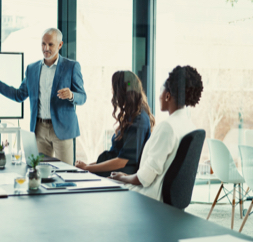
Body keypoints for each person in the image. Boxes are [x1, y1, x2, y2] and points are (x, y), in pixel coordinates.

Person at [0, 28, 86, 165]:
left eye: (50, 44)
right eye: (43, 44)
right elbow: (19, 95)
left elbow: (82, 97)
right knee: (39, 171)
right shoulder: (32, 69)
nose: (45, 48)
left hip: (63, 129)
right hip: (39, 129)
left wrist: (71, 95)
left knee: (65, 173)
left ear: (60, 45)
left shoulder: (71, 67)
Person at [110, 65, 203, 201]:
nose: (159, 96)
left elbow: (144, 179)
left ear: (167, 96)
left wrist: (122, 178)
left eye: (161, 91)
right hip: (163, 200)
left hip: (148, 198)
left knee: (104, 187)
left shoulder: (167, 127)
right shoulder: (189, 125)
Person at [74, 71, 154, 177]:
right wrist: (86, 166)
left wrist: (88, 168)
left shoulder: (139, 120)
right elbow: (115, 156)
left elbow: (122, 161)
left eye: (114, 89)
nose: (112, 92)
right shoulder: (132, 116)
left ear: (122, 92)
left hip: (120, 176)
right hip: (113, 173)